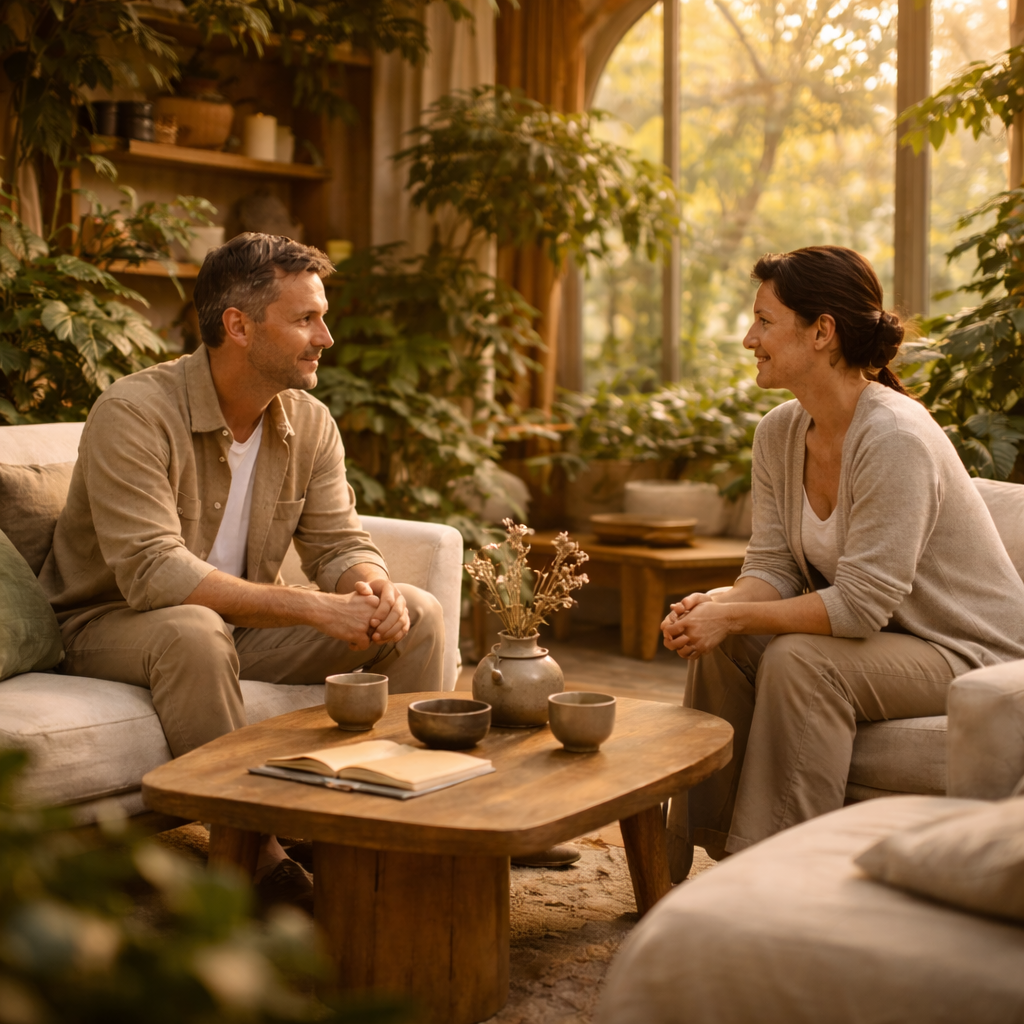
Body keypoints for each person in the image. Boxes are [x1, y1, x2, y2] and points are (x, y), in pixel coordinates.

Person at [41, 233, 445, 900]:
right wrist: (316, 607)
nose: (327, 336)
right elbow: (153, 573)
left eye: (322, 316)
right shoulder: (134, 412)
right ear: (238, 325)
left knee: (418, 616)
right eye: (306, 319)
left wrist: (367, 587)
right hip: (107, 622)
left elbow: (338, 542)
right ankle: (256, 853)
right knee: (192, 630)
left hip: (238, 624)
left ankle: (380, 824)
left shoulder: (310, 424)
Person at [661, 245, 1024, 877]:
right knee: (719, 641)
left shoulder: (894, 438)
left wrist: (737, 617)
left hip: (969, 653)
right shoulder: (778, 432)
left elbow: (860, 605)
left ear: (822, 331)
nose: (749, 338)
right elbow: (772, 564)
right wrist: (717, 607)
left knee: (803, 661)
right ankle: (697, 845)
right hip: (885, 638)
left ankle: (777, 873)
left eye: (765, 321)